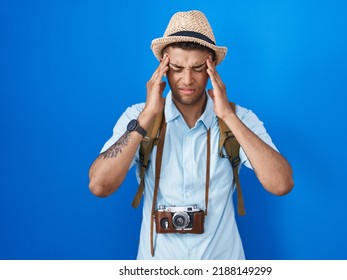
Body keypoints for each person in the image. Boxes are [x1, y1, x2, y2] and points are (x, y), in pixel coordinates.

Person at [88, 10, 293, 260]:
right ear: (163, 66)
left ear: (212, 67)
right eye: (176, 68)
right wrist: (147, 115)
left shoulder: (239, 118)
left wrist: (228, 115)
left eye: (198, 68)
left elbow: (281, 184)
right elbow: (99, 185)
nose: (187, 79)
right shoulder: (138, 117)